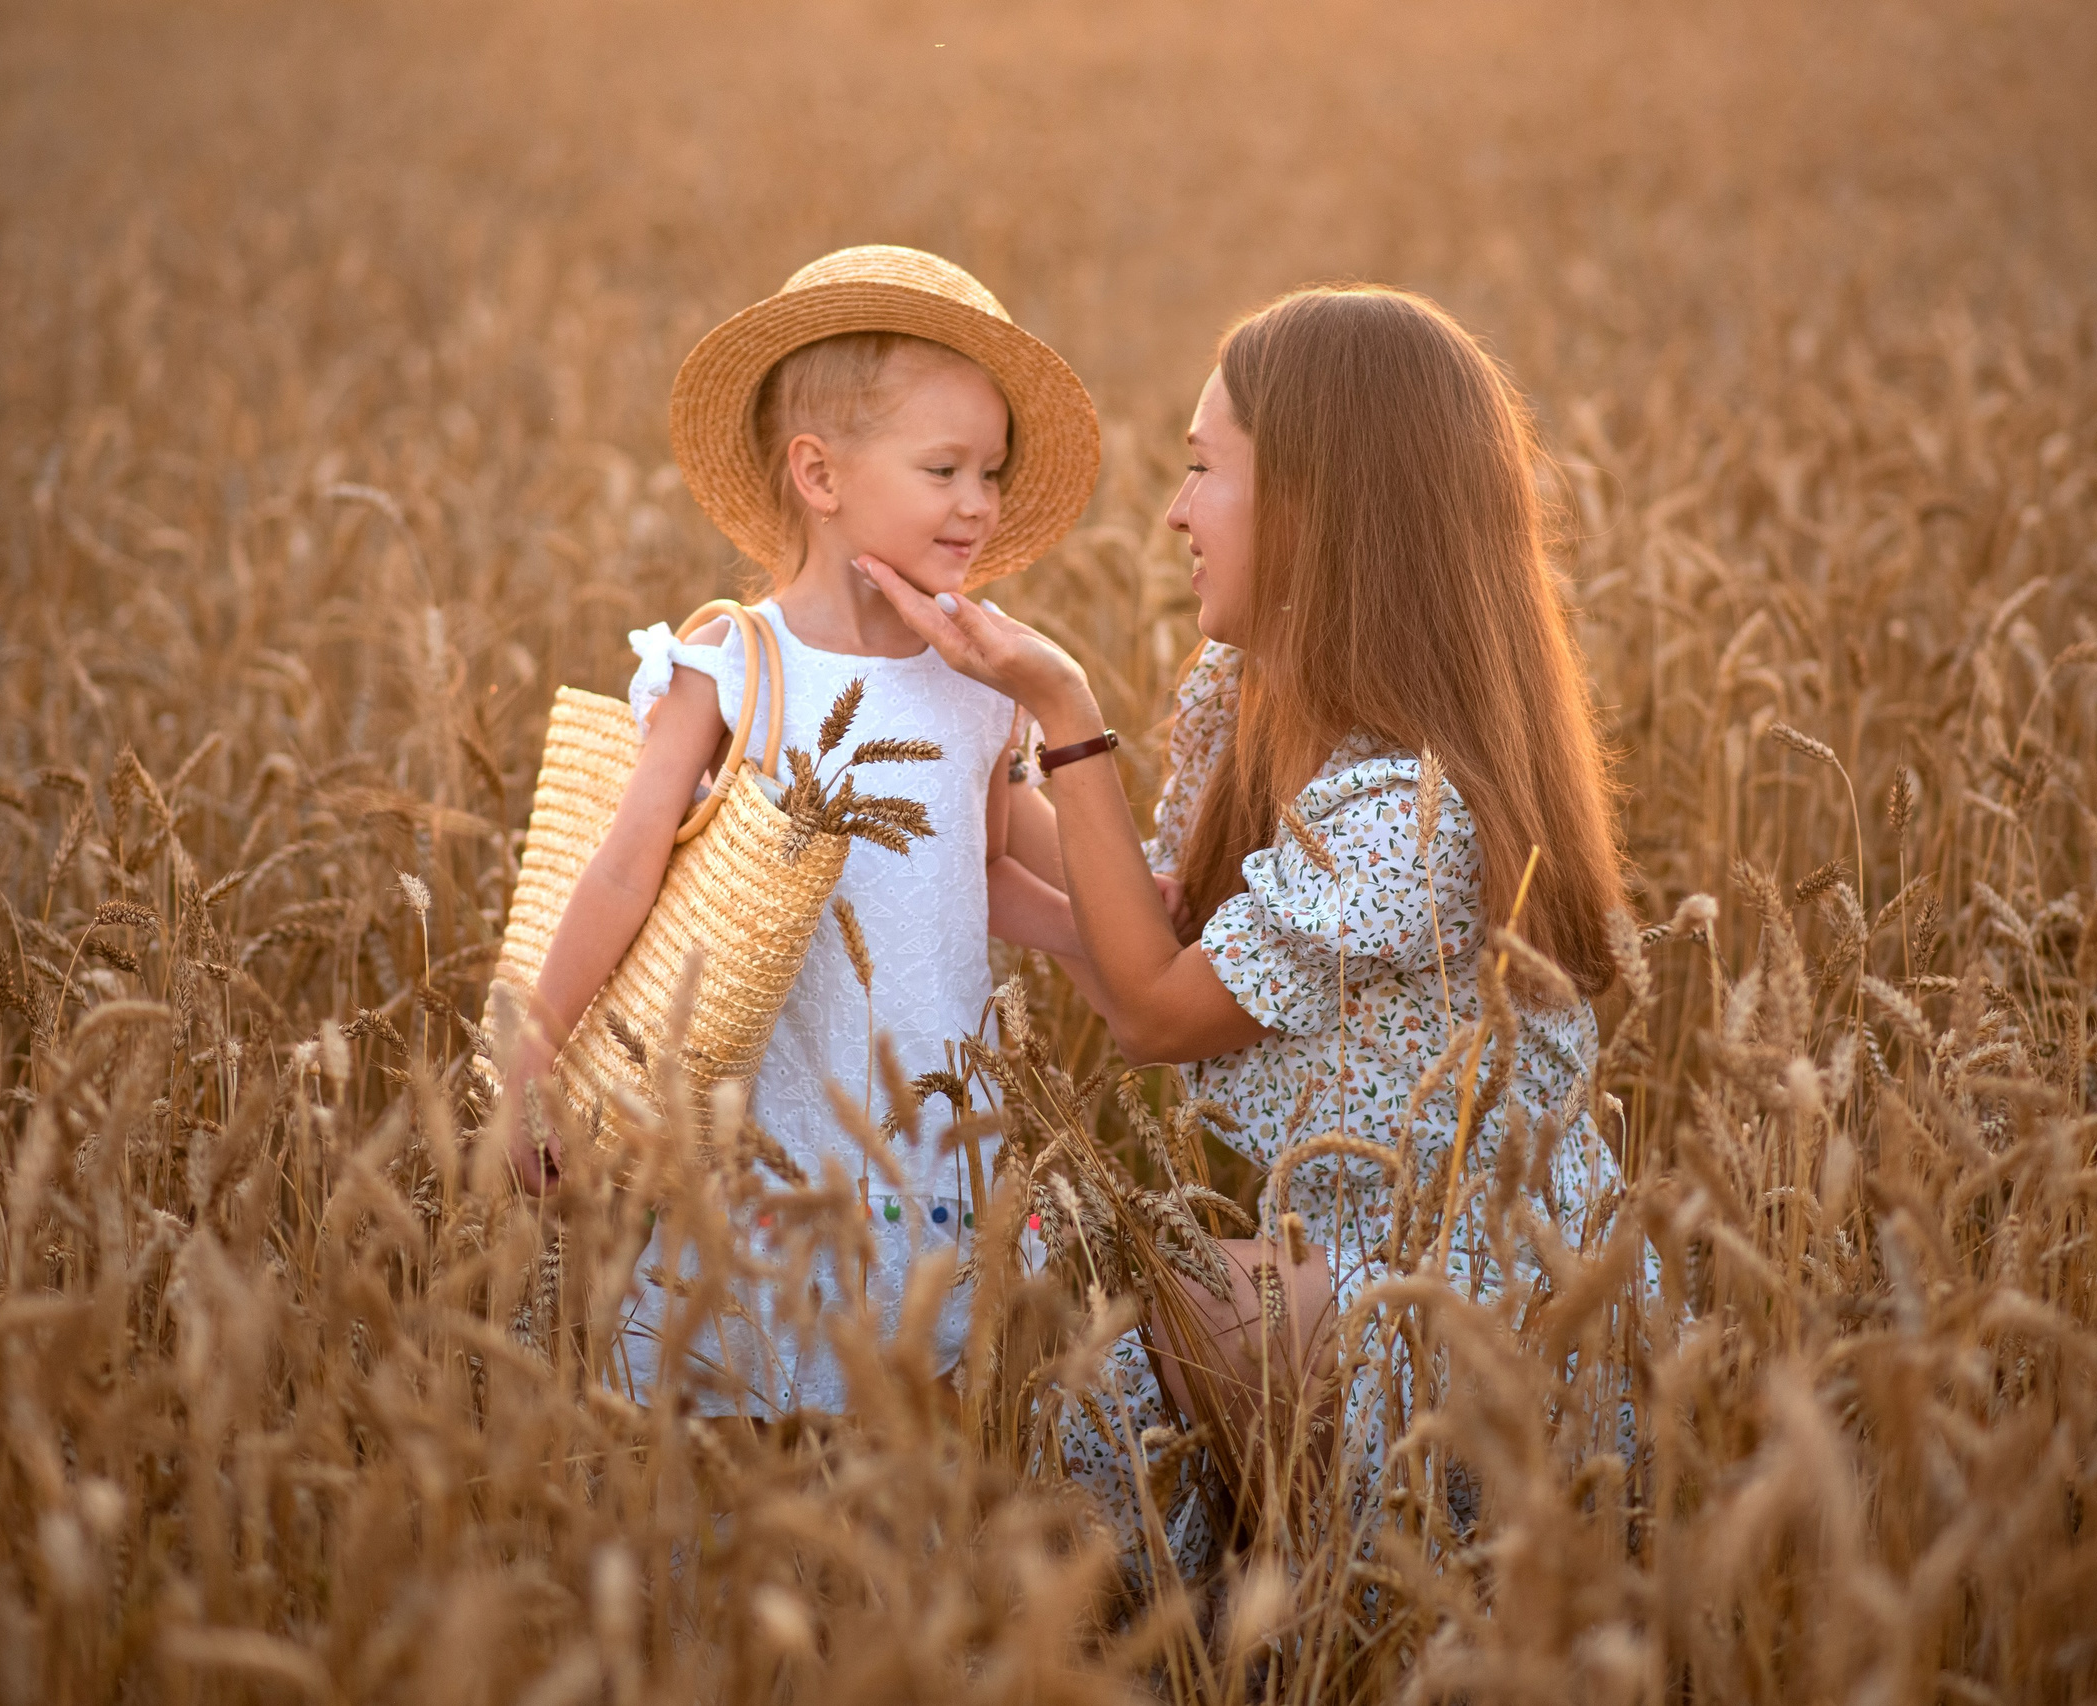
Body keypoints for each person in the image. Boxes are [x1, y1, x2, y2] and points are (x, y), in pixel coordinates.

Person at [856, 284, 1628, 1544]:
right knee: (1001, 1295)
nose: (1172, 512)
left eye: (1203, 468)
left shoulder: (1415, 818)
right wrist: (960, 727)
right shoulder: (1253, 695)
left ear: (1320, 506)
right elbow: (1141, 924)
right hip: (1313, 1278)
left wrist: (1061, 712)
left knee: (1050, 1346)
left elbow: (1157, 1008)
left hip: (1443, 1330)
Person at [503, 246, 1100, 1416]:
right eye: (944, 469)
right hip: (770, 1123)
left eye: (993, 470)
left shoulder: (979, 677)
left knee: (924, 1418)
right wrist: (534, 1060)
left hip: (934, 1121)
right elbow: (625, 867)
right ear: (819, 473)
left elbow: (976, 873)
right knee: (736, 1412)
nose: (979, 501)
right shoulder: (731, 666)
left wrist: (1117, 925)